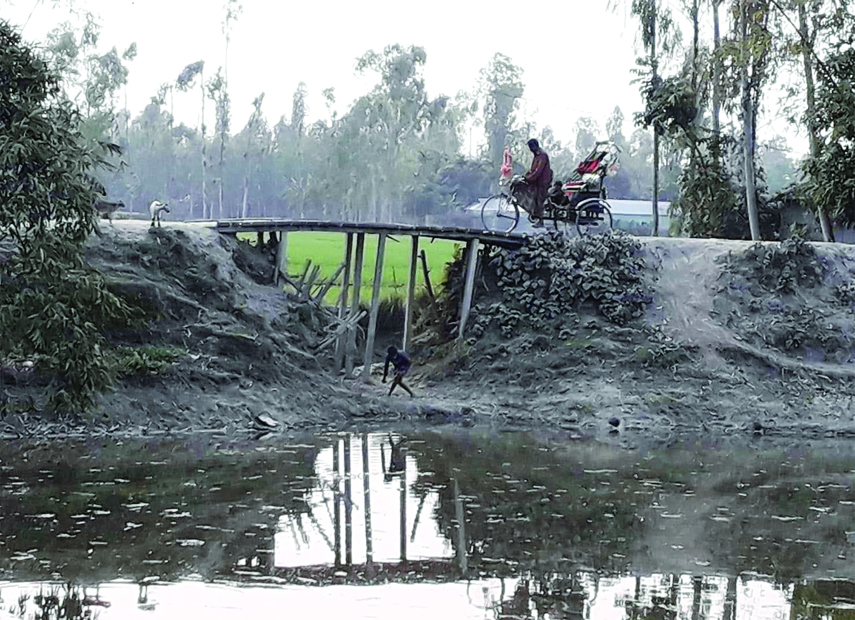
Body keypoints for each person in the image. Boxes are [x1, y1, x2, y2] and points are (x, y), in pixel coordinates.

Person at [512, 138, 553, 227]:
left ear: (534, 146)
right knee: (531, 196)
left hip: (542, 182)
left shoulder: (542, 155)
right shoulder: (537, 155)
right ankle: (534, 214)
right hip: (537, 181)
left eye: (531, 147)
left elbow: (538, 171)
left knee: (539, 200)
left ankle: (540, 220)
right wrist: (525, 176)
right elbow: (533, 169)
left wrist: (529, 178)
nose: (530, 149)